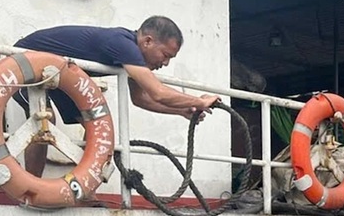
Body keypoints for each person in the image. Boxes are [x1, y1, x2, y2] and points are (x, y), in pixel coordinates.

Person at [12, 16, 219, 176]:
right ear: (147, 41)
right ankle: (31, 189)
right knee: (44, 118)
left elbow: (141, 99)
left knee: (95, 126)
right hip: (22, 62)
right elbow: (157, 92)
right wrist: (200, 101)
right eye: (165, 55)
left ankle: (84, 188)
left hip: (58, 74)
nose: (165, 63)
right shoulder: (123, 45)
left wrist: (181, 111)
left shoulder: (131, 57)